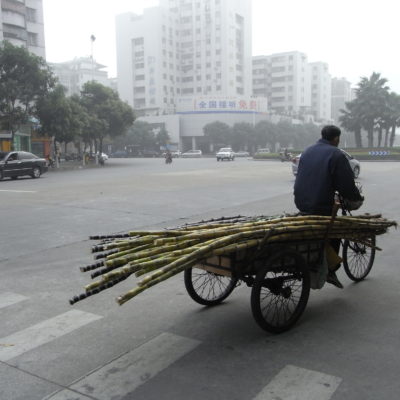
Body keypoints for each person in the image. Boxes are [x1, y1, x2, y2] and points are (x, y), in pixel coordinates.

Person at [294, 125, 363, 288]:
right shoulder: (336, 154)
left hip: (301, 201)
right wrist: (356, 198)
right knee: (335, 231)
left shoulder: (308, 151)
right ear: (336, 138)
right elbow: (346, 185)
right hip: (320, 205)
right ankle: (331, 270)